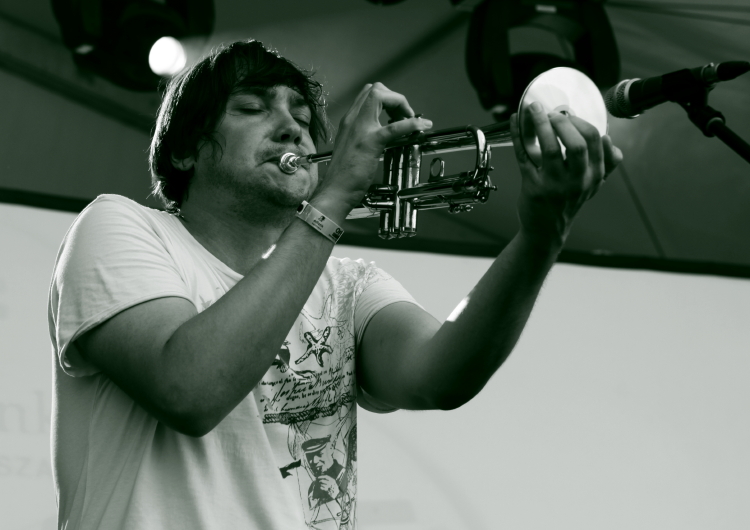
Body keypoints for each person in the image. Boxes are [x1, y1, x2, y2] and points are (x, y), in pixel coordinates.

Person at [48, 40, 622, 529]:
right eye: (252, 108)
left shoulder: (348, 284)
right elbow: (190, 391)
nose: (290, 127)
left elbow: (439, 378)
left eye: (302, 117)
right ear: (183, 150)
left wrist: (540, 236)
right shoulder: (120, 227)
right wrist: (335, 197)